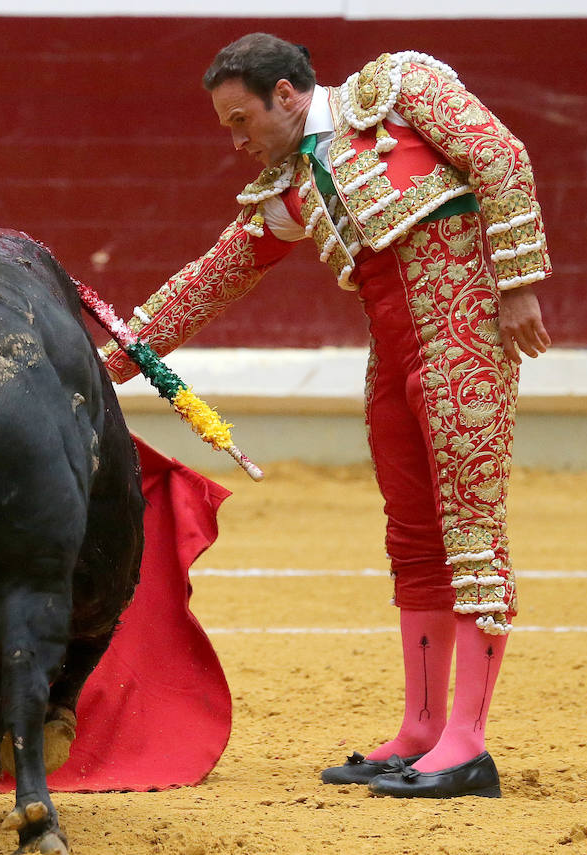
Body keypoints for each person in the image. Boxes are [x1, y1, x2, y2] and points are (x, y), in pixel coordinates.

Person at [98, 33, 552, 799]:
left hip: (463, 341)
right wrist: (102, 361)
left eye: (241, 120)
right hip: (394, 364)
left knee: (472, 533)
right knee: (412, 537)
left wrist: (518, 284)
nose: (236, 140)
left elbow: (501, 157)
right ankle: (421, 727)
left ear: (286, 94)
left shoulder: (401, 90)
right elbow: (210, 280)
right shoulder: (289, 189)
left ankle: (468, 745)